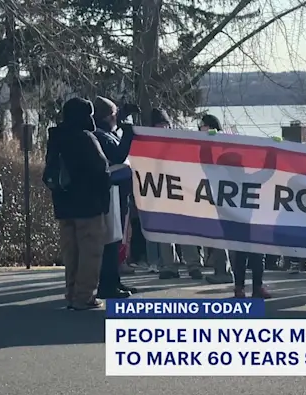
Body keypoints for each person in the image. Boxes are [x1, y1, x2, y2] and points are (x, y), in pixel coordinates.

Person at [44, 97, 110, 310]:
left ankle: (71, 293)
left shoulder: (55, 137)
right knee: (90, 253)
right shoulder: (85, 138)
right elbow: (101, 169)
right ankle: (85, 297)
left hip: (63, 205)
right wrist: (104, 197)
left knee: (71, 252)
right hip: (88, 205)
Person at [148, 109, 205, 280]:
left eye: (164, 125)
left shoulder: (179, 142)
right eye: (158, 126)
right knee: (165, 232)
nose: (162, 129)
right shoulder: (150, 145)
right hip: (160, 191)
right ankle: (169, 266)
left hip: (180, 191)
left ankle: (193, 265)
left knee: (185, 230)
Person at [93, 96, 139, 299]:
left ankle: (115, 281)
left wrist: (121, 119)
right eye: (114, 114)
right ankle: (107, 285)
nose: (117, 118)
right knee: (111, 242)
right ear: (107, 116)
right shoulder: (100, 135)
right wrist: (128, 132)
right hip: (110, 193)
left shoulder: (106, 132)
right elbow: (118, 155)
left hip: (119, 192)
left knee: (118, 241)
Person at [198, 114, 235, 285]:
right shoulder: (223, 142)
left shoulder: (220, 143)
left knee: (221, 234)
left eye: (202, 125)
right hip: (218, 191)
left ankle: (223, 271)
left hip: (223, 192)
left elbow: (208, 162)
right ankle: (224, 269)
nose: (200, 128)